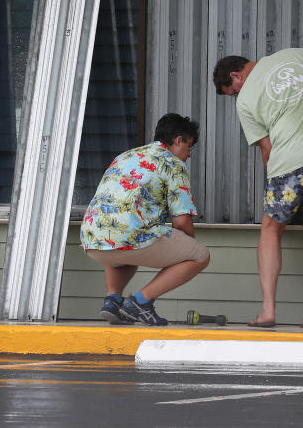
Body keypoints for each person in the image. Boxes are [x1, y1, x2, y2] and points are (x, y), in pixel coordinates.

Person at [213, 49, 303, 329]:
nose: (235, 98)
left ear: (236, 76)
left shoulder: (246, 101)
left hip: (291, 160)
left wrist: (277, 181)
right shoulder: (298, 54)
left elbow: (268, 151)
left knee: (270, 229)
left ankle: (268, 311)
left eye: (231, 92)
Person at [80, 113, 210, 326]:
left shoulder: (126, 155)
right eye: (190, 146)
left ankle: (113, 300)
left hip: (92, 238)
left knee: (127, 239)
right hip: (127, 237)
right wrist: (188, 247)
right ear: (179, 140)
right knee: (200, 256)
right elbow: (182, 221)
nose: (189, 155)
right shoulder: (173, 164)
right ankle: (140, 302)